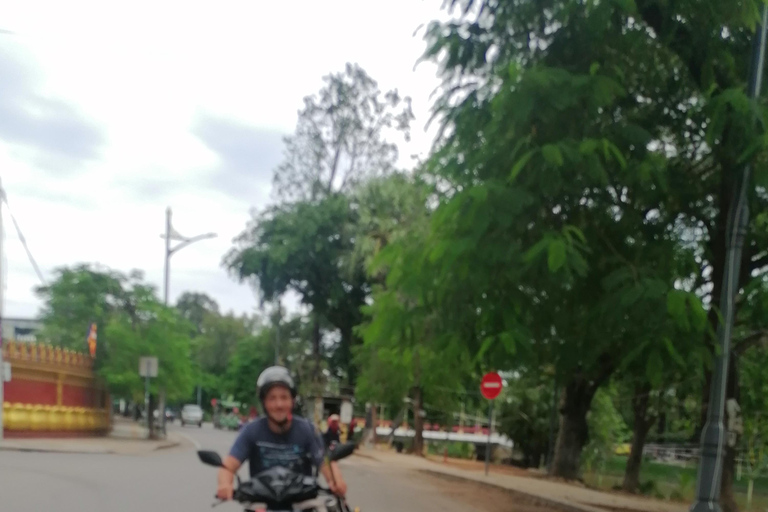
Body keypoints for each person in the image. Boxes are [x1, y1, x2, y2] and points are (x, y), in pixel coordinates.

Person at [216, 366, 347, 501]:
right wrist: (225, 484)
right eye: (272, 398)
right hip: (261, 506)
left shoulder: (307, 430)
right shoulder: (251, 431)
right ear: (264, 402)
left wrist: (336, 481)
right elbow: (229, 465)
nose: (279, 404)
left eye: (284, 397)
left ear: (292, 400)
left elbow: (325, 462)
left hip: (301, 506)